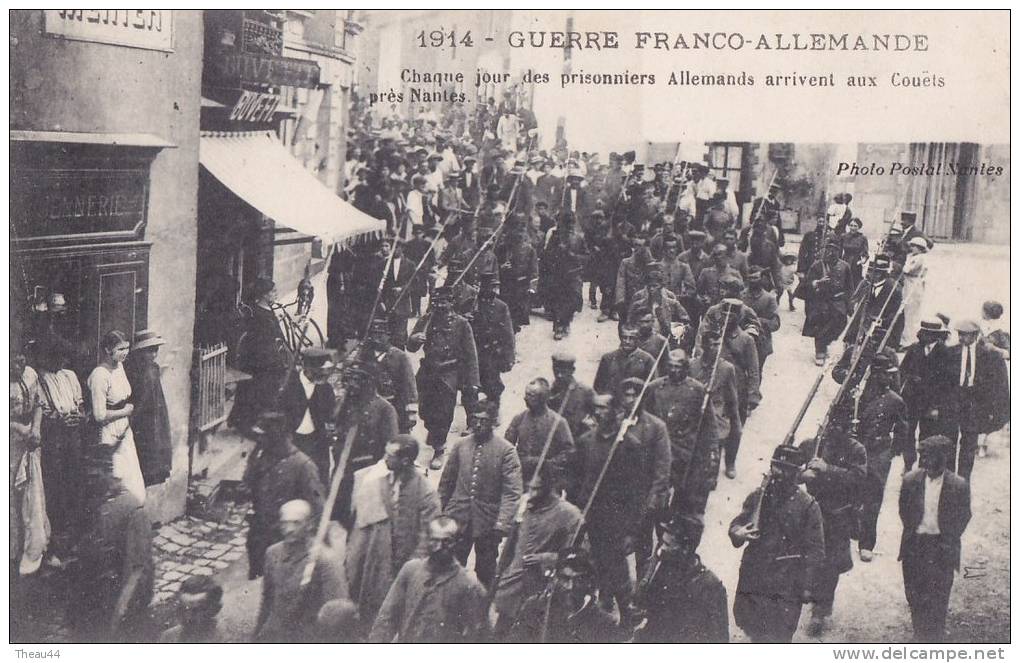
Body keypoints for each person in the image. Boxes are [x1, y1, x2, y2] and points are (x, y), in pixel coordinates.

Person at [575, 380, 671, 622]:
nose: (598, 412)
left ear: (615, 411)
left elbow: (637, 489)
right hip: (594, 515)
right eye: (595, 408)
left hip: (619, 517)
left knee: (618, 563)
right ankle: (606, 603)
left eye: (604, 408)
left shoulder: (629, 444)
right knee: (598, 559)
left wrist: (633, 526)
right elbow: (579, 481)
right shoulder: (586, 441)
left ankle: (630, 609)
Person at [730, 444, 825, 643]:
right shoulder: (759, 496)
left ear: (796, 474)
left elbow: (815, 551)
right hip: (755, 576)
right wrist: (738, 532)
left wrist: (807, 587)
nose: (778, 473)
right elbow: (739, 524)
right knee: (754, 631)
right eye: (776, 467)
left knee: (779, 636)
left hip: (786, 583)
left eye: (785, 469)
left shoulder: (808, 506)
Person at [346, 434, 441, 627]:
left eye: (390, 455)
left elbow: (428, 537)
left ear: (405, 461)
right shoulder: (381, 479)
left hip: (404, 565)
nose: (384, 459)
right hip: (378, 562)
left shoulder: (426, 492)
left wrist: (411, 569)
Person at [70, 445, 155, 641]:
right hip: (94, 595)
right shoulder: (95, 501)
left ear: (109, 472)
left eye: (96, 475)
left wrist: (121, 609)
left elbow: (138, 567)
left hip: (117, 597)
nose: (91, 481)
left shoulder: (133, 509)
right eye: (88, 476)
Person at [438, 401, 523, 590]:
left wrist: (502, 523)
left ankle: (482, 609)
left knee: (485, 570)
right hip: (458, 518)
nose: (477, 425)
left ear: (493, 422)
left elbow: (512, 492)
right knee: (452, 566)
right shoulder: (460, 445)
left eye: (483, 421)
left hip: (488, 523)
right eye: (474, 419)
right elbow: (446, 483)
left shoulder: (506, 451)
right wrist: (440, 512)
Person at [493, 459, 584, 633]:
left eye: (537, 489)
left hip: (542, 588)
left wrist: (546, 558)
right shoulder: (523, 505)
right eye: (529, 488)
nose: (532, 494)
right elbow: (511, 546)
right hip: (513, 586)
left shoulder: (569, 515)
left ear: (549, 487)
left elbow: (579, 557)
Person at [798, 417, 868, 636]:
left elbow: (858, 479)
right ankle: (807, 592)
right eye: (831, 424)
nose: (833, 429)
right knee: (805, 557)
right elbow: (788, 465)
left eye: (840, 426)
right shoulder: (811, 444)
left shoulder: (856, 449)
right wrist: (801, 474)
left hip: (837, 514)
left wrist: (828, 469)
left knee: (830, 565)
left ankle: (820, 611)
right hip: (810, 511)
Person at [369, 516, 489, 643]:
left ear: (457, 543)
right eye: (434, 541)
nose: (439, 547)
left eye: (447, 541)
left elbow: (480, 634)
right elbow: (386, 619)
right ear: (427, 541)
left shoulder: (468, 584)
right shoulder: (410, 571)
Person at [898, 435, 971, 642]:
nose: (925, 462)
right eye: (923, 457)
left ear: (944, 458)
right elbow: (904, 511)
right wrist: (915, 530)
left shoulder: (959, 485)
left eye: (930, 457)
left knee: (938, 596)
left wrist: (948, 536)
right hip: (915, 546)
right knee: (914, 592)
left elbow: (964, 515)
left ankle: (935, 638)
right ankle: (919, 633)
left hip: (942, 547)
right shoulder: (910, 480)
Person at [243, 411, 325, 580]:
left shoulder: (303, 465)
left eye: (263, 436)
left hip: (286, 537)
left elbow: (318, 509)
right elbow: (248, 483)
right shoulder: (262, 456)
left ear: (276, 437)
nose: (259, 440)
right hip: (259, 534)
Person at [407, 285, 480, 471]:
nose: (440, 305)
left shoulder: (461, 324)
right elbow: (410, 346)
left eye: (444, 302)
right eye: (437, 302)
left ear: (452, 303)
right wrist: (415, 339)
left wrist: (472, 382)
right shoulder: (426, 320)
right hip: (427, 371)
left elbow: (471, 355)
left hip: (448, 374)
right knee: (424, 409)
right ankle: (434, 433)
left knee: (443, 413)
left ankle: (439, 448)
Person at [254, 500, 348, 643]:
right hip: (276, 634)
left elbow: (337, 612)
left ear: (309, 524)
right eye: (285, 523)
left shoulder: (325, 560)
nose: (289, 529)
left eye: (296, 523)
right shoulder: (272, 553)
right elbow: (268, 600)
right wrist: (257, 635)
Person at [645, 349, 720, 518]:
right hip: (658, 451)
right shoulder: (654, 388)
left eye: (678, 367)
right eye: (670, 366)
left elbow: (710, 427)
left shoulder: (698, 390)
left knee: (683, 498)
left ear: (686, 368)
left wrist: (712, 456)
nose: (674, 370)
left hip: (685, 453)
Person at [633, 515, 729, 643]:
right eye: (662, 543)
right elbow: (649, 618)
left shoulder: (711, 586)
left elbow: (719, 640)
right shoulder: (661, 572)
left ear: (685, 549)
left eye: (667, 544)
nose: (661, 549)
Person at [506, 548, 627, 643]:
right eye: (565, 579)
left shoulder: (603, 623)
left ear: (589, 582)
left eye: (579, 580)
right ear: (555, 578)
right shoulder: (535, 607)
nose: (570, 586)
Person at [331, 361, 399, 526]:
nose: (352, 385)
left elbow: (390, 446)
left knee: (363, 519)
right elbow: (335, 425)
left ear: (370, 382)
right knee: (342, 516)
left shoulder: (385, 409)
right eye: (351, 380)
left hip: (367, 471)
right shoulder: (347, 403)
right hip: (344, 470)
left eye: (358, 380)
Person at [34, 345, 86, 563]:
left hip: (73, 436)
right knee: (56, 485)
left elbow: (80, 405)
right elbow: (41, 412)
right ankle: (57, 541)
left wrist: (79, 416)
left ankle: (73, 538)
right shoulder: (40, 379)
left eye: (62, 357)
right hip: (54, 439)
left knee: (74, 481)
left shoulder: (70, 376)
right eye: (54, 357)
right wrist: (57, 420)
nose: (59, 361)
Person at [856, 356, 910, 562]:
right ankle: (853, 529)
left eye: (891, 374)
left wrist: (891, 452)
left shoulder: (896, 401)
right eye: (885, 374)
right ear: (875, 374)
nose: (890, 378)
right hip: (858, 449)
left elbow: (903, 429)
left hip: (879, 452)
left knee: (873, 497)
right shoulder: (859, 396)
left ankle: (867, 543)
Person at [944, 319, 1010, 480]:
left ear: (975, 335)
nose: (960, 338)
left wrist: (998, 411)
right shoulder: (950, 353)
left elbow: (1000, 385)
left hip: (974, 404)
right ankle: (949, 478)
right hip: (953, 402)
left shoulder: (991, 355)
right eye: (959, 334)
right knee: (949, 441)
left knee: (969, 443)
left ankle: (963, 480)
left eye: (965, 335)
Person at [87, 330, 146, 505]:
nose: (125, 352)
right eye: (120, 349)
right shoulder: (99, 375)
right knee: (117, 480)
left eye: (127, 348)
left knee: (132, 478)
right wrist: (125, 412)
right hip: (109, 433)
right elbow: (99, 415)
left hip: (124, 428)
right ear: (107, 350)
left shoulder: (119, 367)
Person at [229, 277, 288, 432]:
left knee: (259, 389)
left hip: (266, 355)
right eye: (273, 291)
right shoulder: (258, 314)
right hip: (260, 358)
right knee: (256, 390)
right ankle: (250, 423)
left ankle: (249, 421)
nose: (276, 294)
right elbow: (260, 338)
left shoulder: (267, 310)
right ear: (264, 295)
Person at [899, 318, 955, 470]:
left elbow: (947, 383)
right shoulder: (914, 349)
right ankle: (908, 464)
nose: (924, 336)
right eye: (923, 333)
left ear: (935, 335)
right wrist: (911, 378)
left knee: (927, 435)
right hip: (911, 400)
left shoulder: (945, 353)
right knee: (908, 433)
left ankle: (923, 466)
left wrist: (937, 406)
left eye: (928, 334)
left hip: (930, 403)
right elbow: (902, 371)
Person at [10, 350, 48, 576]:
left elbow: (39, 404)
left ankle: (32, 549)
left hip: (30, 442)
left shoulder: (31, 374)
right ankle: (10, 551)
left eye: (22, 358)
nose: (19, 364)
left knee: (31, 493)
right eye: (13, 360)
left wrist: (35, 428)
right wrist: (16, 427)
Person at [504, 378, 576, 489]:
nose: (525, 398)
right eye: (526, 394)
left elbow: (568, 451)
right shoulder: (519, 418)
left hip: (547, 478)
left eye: (531, 395)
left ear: (543, 398)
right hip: (521, 476)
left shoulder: (558, 422)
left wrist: (549, 464)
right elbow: (507, 446)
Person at [690, 329, 742, 479]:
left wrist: (734, 419)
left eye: (719, 345)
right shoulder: (693, 365)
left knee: (719, 436)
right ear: (704, 346)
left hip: (716, 410)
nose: (717, 348)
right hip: (696, 408)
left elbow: (732, 397)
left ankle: (722, 466)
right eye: (713, 345)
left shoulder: (726, 368)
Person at [279, 347, 336, 482]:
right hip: (293, 440)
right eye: (319, 372)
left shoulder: (326, 389)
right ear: (307, 368)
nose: (323, 376)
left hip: (317, 441)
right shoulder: (289, 385)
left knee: (319, 476)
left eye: (325, 372)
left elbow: (330, 416)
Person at [123, 329, 172, 487]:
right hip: (142, 416)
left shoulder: (154, 368)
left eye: (155, 351)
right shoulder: (133, 370)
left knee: (157, 445)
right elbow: (138, 397)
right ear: (139, 352)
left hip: (155, 414)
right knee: (143, 449)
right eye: (149, 351)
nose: (153, 355)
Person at [359, 317, 418, 434]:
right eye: (374, 335)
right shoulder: (363, 356)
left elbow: (409, 385)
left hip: (396, 406)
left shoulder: (400, 357)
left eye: (380, 335)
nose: (377, 339)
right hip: (372, 407)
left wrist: (411, 412)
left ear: (388, 336)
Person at [801, 239, 853, 365]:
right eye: (829, 248)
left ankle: (826, 342)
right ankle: (820, 350)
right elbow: (806, 284)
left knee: (841, 322)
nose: (831, 252)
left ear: (839, 251)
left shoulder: (845, 266)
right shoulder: (817, 265)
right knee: (820, 323)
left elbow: (849, 287)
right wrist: (817, 282)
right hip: (820, 301)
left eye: (835, 249)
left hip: (837, 300)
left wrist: (848, 302)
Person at [471, 272, 516, 410]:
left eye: (491, 287)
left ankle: (494, 410)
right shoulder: (472, 304)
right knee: (472, 382)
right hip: (475, 350)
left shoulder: (501, 307)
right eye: (485, 287)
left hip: (492, 352)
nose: (488, 291)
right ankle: (473, 414)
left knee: (492, 383)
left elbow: (508, 333)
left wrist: (509, 356)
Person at [544, 212, 588, 340]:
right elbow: (547, 254)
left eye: (571, 223)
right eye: (566, 223)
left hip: (573, 274)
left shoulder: (579, 238)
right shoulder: (555, 237)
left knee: (574, 299)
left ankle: (567, 321)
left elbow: (586, 256)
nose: (569, 226)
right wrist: (557, 250)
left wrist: (574, 256)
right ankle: (558, 326)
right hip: (558, 274)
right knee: (558, 300)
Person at [498, 217, 539, 331]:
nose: (518, 234)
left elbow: (534, 270)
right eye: (515, 230)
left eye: (521, 231)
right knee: (505, 317)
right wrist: (501, 267)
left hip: (521, 288)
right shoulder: (502, 248)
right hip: (505, 286)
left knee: (516, 319)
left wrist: (532, 288)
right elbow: (493, 266)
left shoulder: (529, 250)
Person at [593, 324, 657, 394]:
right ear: (620, 338)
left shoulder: (647, 360)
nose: (627, 341)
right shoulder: (608, 358)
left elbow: (652, 388)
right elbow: (598, 387)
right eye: (624, 337)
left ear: (638, 339)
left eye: (631, 338)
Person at [159, 576, 225, 643]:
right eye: (184, 608)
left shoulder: (228, 637)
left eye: (197, 610)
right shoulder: (168, 637)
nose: (188, 616)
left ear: (214, 609)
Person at [548, 351, 596, 442]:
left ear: (573, 370)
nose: (559, 375)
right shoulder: (548, 392)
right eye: (556, 371)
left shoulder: (584, 392)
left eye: (564, 372)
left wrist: (589, 425)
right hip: (554, 443)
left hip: (577, 442)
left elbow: (599, 415)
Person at [742, 270, 781, 373]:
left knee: (756, 371)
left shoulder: (769, 299)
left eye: (756, 278)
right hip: (742, 340)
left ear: (762, 279)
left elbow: (775, 323)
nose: (753, 281)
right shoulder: (741, 295)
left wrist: (760, 321)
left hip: (761, 341)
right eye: (750, 278)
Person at [900, 236, 930, 347]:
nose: (912, 248)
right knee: (907, 311)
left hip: (914, 283)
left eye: (914, 246)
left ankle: (909, 340)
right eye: (911, 245)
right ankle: (906, 338)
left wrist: (905, 264)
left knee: (911, 312)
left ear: (920, 248)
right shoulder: (912, 256)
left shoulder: (920, 258)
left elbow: (907, 269)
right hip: (908, 282)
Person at [841, 217, 870, 288]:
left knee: (854, 282)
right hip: (845, 260)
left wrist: (861, 261)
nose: (853, 228)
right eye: (851, 225)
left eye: (855, 226)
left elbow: (865, 253)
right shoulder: (844, 236)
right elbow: (839, 251)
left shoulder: (862, 238)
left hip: (856, 263)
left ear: (859, 227)